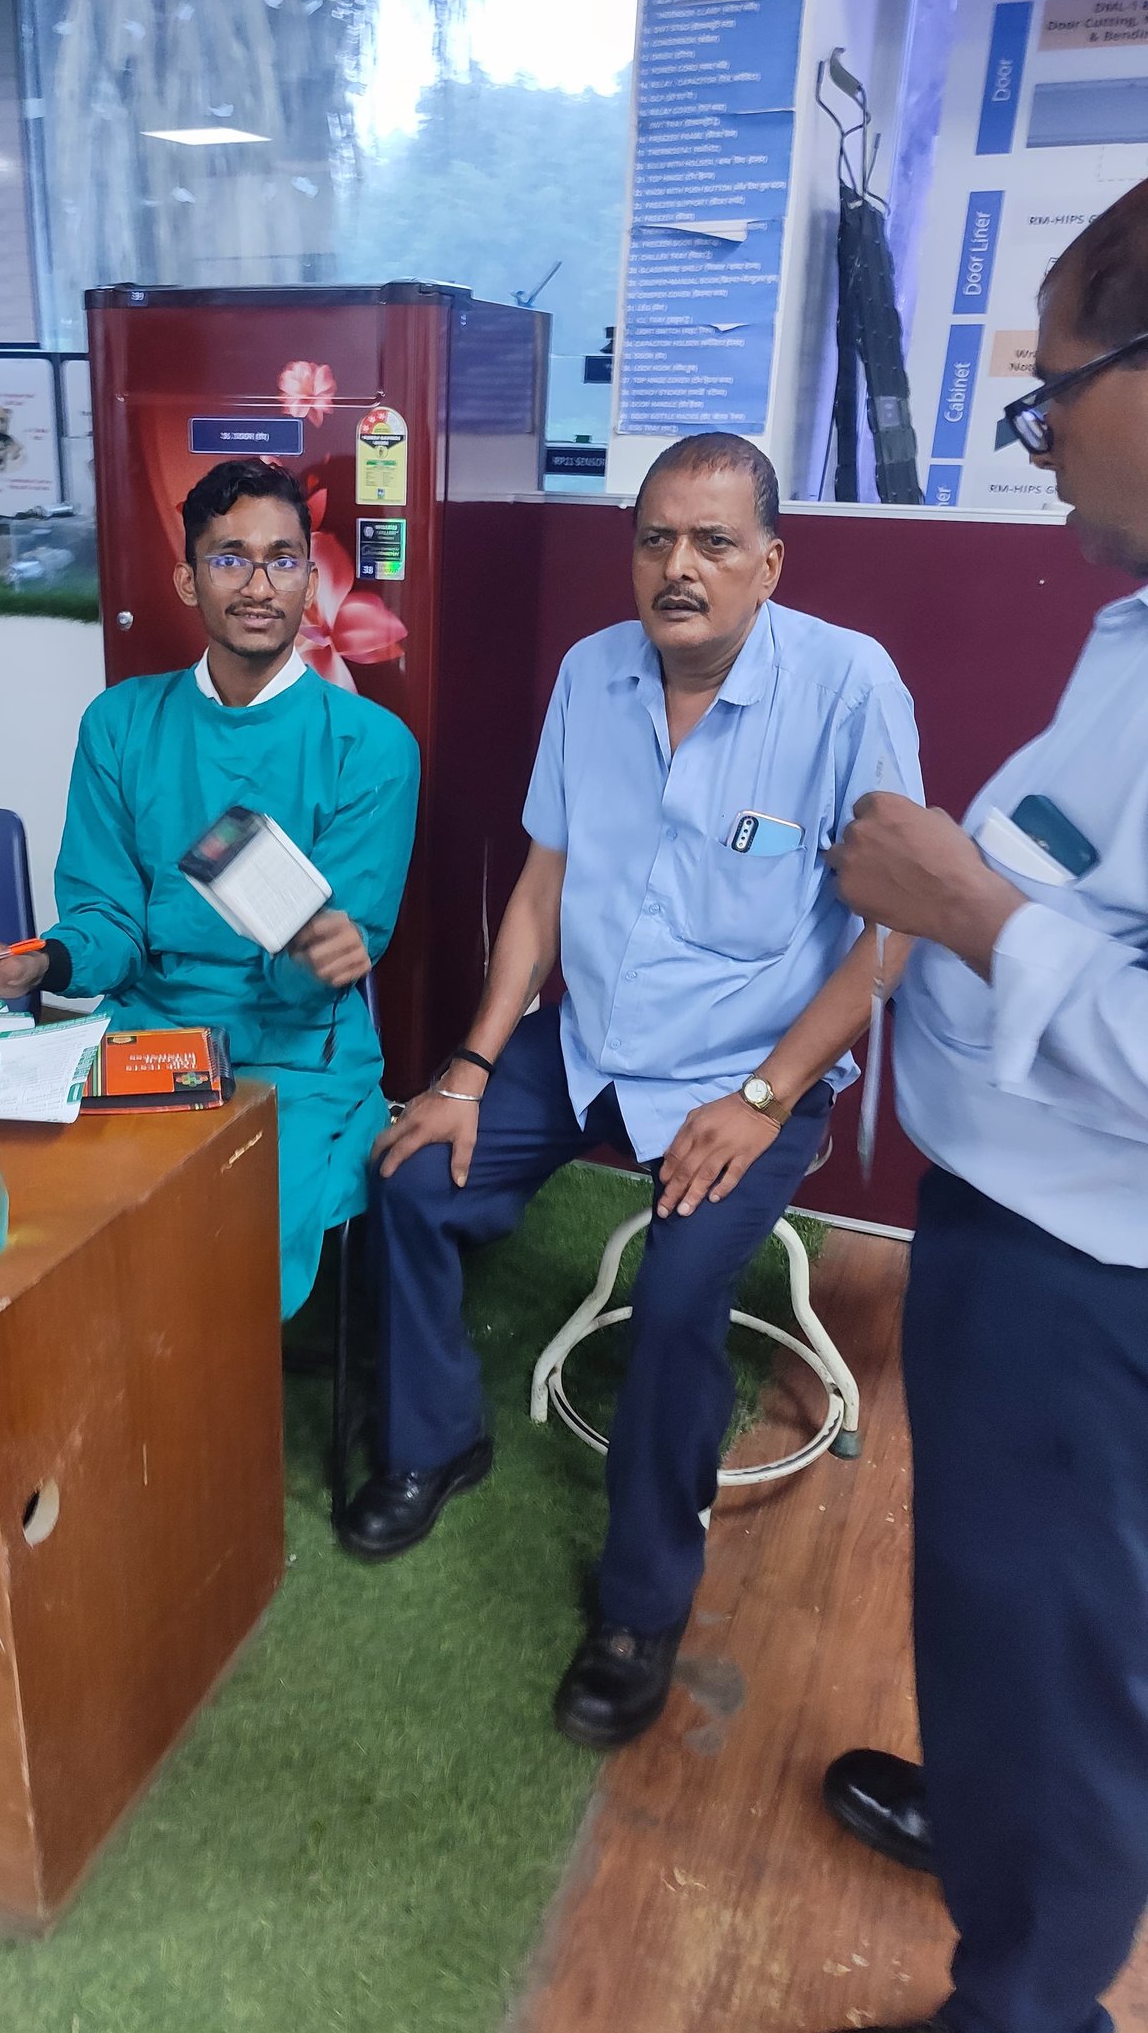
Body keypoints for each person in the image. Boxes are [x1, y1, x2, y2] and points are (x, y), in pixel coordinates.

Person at [339, 433, 923, 1751]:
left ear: (770, 564)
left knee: (675, 1295)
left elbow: (894, 932)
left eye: (714, 541)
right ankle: (436, 1438)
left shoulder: (847, 686)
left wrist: (766, 1095)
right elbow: (541, 890)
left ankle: (643, 1603)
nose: (680, 567)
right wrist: (469, 1067)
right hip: (592, 1043)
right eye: (657, 538)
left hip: (748, 1071)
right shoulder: (590, 674)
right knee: (414, 1176)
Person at [775, 179, 1148, 2033]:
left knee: (1074, 1652)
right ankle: (1002, 1819)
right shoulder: (1134, 618)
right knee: (1019, 1622)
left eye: (1055, 393)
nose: (1043, 438)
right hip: (1017, 1234)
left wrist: (967, 905)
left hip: (1103, 1281)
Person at [0, 458, 419, 1320]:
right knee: (49, 1214)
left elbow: (333, 951)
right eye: (229, 559)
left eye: (283, 560)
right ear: (188, 580)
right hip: (149, 1031)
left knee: (221, 1254)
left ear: (310, 581)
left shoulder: (371, 747)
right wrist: (43, 963)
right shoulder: (121, 725)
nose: (258, 585)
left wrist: (319, 954)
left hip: (293, 1055)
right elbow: (106, 917)